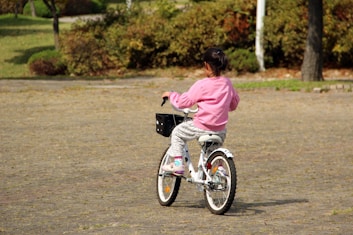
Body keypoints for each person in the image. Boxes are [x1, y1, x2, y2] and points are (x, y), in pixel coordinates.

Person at [161, 47, 240, 176]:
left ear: (206, 65)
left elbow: (183, 102)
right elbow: (234, 104)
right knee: (212, 149)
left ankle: (177, 165)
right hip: (220, 129)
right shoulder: (227, 83)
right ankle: (218, 169)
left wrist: (172, 95)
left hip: (202, 126)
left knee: (177, 133)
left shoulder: (202, 84)